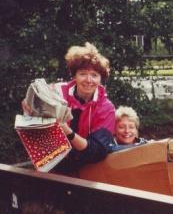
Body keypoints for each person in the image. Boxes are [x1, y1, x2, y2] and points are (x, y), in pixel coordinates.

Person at [22, 42, 115, 173]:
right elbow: (37, 131)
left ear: (101, 79)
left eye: (94, 75)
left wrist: (67, 131)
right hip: (53, 161)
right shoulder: (56, 91)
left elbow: (97, 152)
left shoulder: (106, 107)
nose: (89, 80)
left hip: (88, 168)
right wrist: (29, 112)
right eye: (83, 74)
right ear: (74, 76)